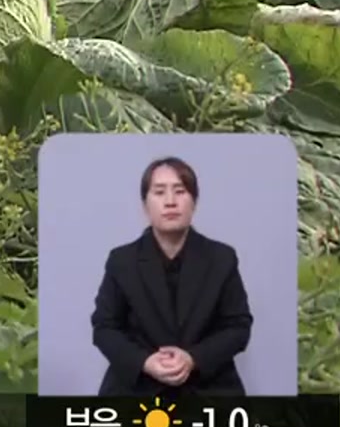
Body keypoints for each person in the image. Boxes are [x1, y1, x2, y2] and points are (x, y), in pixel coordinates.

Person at [89, 156, 253, 397]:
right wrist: (145, 362)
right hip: (137, 388)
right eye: (159, 192)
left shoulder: (221, 258)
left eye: (180, 191)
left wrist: (193, 358)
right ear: (145, 205)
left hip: (208, 387)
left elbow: (238, 326)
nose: (170, 202)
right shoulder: (122, 261)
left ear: (194, 202)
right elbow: (104, 328)